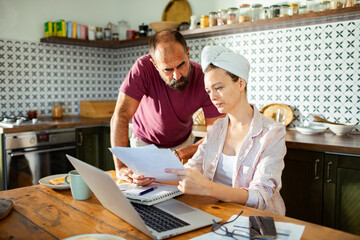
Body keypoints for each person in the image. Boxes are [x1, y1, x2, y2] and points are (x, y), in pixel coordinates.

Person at [166, 45, 286, 215]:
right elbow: (193, 169)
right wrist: (153, 178)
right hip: (216, 212)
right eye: (208, 91)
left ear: (241, 83)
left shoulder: (272, 132)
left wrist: (208, 188)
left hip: (257, 220)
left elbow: (260, 196)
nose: (212, 97)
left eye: (219, 88)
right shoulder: (218, 128)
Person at [110, 31, 223, 186]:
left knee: (183, 193)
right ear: (155, 65)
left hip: (184, 144)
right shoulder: (143, 68)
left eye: (181, 65)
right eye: (168, 70)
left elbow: (216, 133)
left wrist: (183, 152)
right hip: (145, 144)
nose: (177, 76)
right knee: (143, 190)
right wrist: (121, 166)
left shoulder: (204, 79)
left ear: (188, 53)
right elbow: (121, 115)